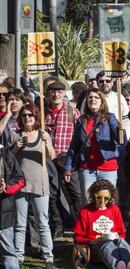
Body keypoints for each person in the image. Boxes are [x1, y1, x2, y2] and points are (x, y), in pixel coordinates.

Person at [65, 89, 126, 204]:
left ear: (101, 101)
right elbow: (74, 145)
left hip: (107, 168)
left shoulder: (110, 118)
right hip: (87, 169)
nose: (93, 100)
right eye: (90, 98)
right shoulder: (81, 120)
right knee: (88, 203)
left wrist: (120, 130)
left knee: (108, 204)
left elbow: (121, 141)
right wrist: (68, 166)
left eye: (96, 97)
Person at [12, 103, 55, 266]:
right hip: (20, 184)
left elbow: (52, 156)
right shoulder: (17, 136)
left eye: (30, 115)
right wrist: (16, 148)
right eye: (24, 115)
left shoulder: (43, 134)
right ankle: (18, 256)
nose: (27, 118)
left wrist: (47, 142)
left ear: (36, 117)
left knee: (42, 222)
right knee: (20, 223)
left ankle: (48, 257)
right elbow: (9, 159)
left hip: (40, 183)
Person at [73, 179, 130, 269]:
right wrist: (91, 241)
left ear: (110, 197)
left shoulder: (114, 209)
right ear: (93, 195)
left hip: (115, 244)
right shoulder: (85, 211)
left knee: (122, 242)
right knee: (107, 245)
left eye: (106, 198)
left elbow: (122, 233)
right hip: (95, 248)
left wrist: (118, 238)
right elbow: (77, 237)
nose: (102, 201)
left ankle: (127, 266)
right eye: (99, 197)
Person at [44, 80, 82, 238]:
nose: (55, 94)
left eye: (59, 91)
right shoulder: (43, 112)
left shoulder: (72, 111)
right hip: (48, 159)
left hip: (67, 158)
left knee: (75, 194)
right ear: (48, 93)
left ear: (64, 93)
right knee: (52, 194)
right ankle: (58, 225)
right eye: (52, 91)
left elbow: (80, 135)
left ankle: (80, 225)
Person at [0, 144, 26, 269]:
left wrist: (6, 187)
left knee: (8, 252)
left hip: (3, 213)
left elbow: (20, 179)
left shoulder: (5, 153)